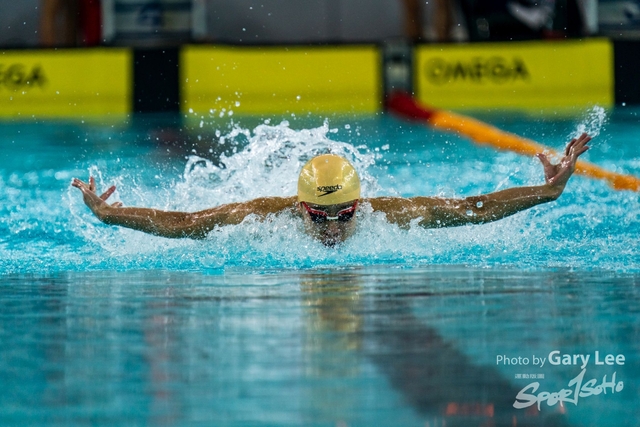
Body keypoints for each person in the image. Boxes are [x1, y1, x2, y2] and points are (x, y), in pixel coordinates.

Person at [72, 133, 591, 247]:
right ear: (300, 208)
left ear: (359, 203)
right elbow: (188, 224)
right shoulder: (262, 216)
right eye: (320, 218)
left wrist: (545, 193)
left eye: (344, 213)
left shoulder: (389, 215)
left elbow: (472, 209)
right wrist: (111, 216)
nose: (335, 227)